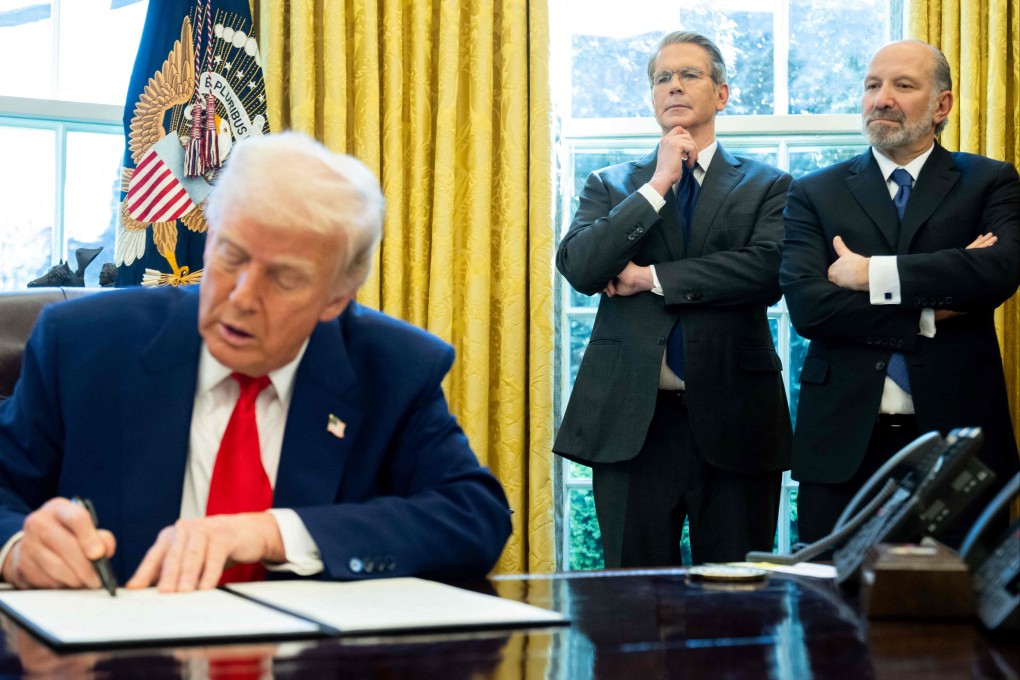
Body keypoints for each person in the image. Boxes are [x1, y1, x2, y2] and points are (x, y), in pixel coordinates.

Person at [0, 132, 512, 592]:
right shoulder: (84, 345)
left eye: (284, 278)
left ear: (337, 298)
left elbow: (474, 517)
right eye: (231, 256)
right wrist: (19, 548)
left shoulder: (393, 369)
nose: (243, 297)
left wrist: (270, 531)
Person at [554, 31, 792, 567]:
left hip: (738, 417)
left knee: (739, 610)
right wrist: (658, 184)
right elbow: (583, 267)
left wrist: (649, 277)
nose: (674, 86)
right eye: (663, 78)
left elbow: (765, 270)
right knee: (629, 612)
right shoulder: (611, 185)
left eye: (690, 74)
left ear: (722, 94)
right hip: (630, 423)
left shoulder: (769, 185)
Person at [781, 40, 1020, 543]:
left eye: (902, 86)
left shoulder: (990, 181)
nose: (881, 98)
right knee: (833, 610)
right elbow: (810, 308)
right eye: (872, 85)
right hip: (842, 447)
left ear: (942, 105)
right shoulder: (813, 193)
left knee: (957, 611)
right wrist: (930, 311)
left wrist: (871, 275)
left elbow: (998, 272)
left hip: (959, 440)